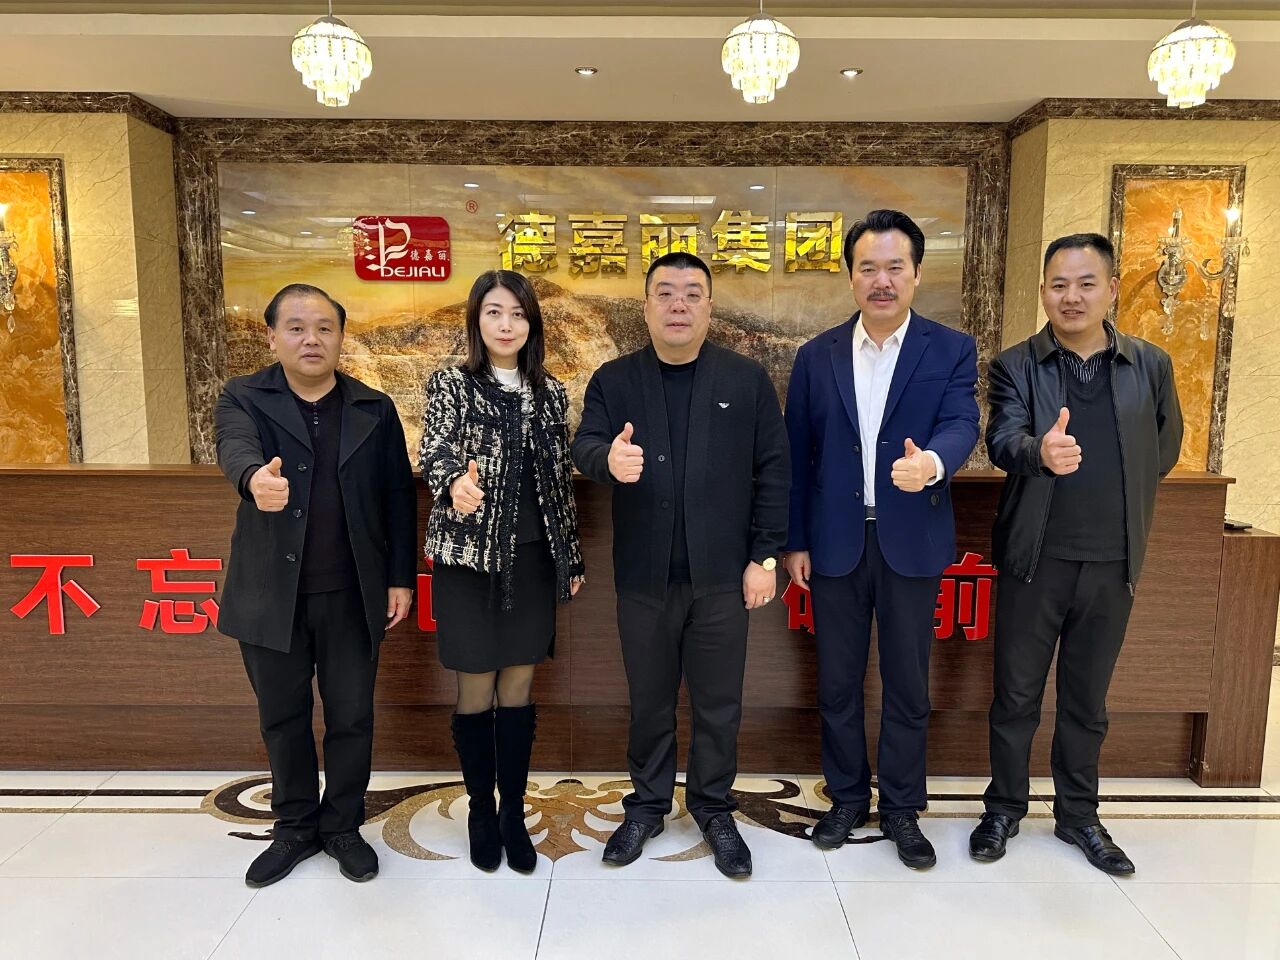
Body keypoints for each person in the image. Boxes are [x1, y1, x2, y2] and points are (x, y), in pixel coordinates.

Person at [571, 251, 789, 879]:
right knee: (649, 702)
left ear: (709, 308)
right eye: (665, 293)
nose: (678, 305)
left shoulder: (745, 381)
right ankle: (646, 806)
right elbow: (585, 444)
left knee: (719, 703)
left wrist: (764, 557)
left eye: (692, 294)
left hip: (723, 578)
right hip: (645, 579)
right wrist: (606, 462)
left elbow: (774, 472)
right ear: (645, 307)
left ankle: (714, 809)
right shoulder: (615, 380)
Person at [971, 233, 1182, 875]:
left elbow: (1164, 448)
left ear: (1111, 289)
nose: (1072, 296)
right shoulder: (1016, 364)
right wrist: (1040, 452)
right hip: (1034, 559)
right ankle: (1003, 809)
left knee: (1088, 702)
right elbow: (1002, 440)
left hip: (1114, 562)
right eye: (1059, 284)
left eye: (1086, 283)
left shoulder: (1151, 364)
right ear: (1042, 292)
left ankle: (1079, 816)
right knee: (1015, 696)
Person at [784, 209, 979, 869]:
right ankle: (845, 798)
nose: (882, 280)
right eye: (868, 267)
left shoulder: (949, 349)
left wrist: (934, 464)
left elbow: (961, 421)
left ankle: (900, 806)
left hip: (912, 539)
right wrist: (795, 541)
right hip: (834, 543)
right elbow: (799, 454)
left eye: (896, 266)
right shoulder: (817, 356)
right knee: (837, 683)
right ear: (851, 277)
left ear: (917, 274)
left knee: (907, 683)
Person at [215, 283, 416, 887]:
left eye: (325, 327)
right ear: (272, 336)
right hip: (269, 593)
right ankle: (295, 828)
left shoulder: (373, 407)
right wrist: (254, 479)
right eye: (297, 327)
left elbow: (397, 497)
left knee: (352, 716)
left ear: (340, 337)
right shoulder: (243, 396)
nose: (311, 339)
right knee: (284, 716)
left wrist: (400, 578)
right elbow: (234, 447)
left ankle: (343, 827)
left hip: (353, 591)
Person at [419, 269, 584, 874]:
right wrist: (454, 483)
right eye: (494, 312)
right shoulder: (453, 384)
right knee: (475, 686)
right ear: (477, 320)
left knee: (518, 684)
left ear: (531, 323)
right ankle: (480, 810)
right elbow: (434, 449)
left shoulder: (551, 391)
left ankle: (512, 811)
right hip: (470, 562)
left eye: (517, 313)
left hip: (534, 560)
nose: (506, 324)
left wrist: (571, 557)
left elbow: (559, 482)